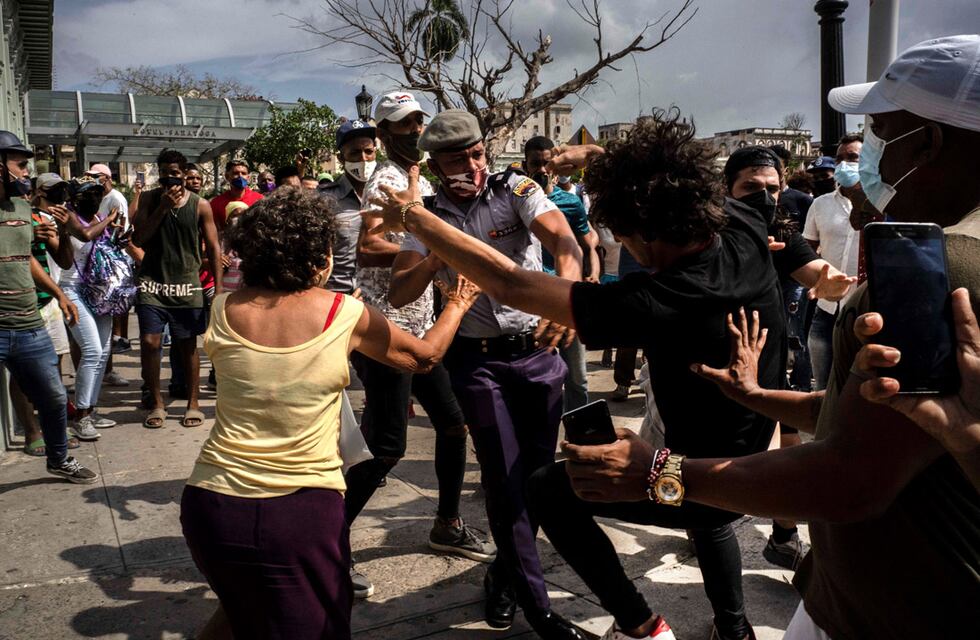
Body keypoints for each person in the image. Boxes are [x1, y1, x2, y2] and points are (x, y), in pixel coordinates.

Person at [540, 36, 980, 639]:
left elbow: (849, 480)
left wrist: (663, 471)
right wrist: (757, 396)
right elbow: (887, 421)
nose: (869, 153)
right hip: (864, 591)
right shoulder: (935, 249)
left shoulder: (943, 269)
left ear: (927, 144)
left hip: (899, 607)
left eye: (880, 131)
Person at [369, 109, 785, 640]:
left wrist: (418, 219)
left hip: (700, 480)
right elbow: (660, 176)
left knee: (549, 488)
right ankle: (732, 626)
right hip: (749, 453)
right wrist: (596, 155)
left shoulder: (655, 300)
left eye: (624, 239)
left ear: (643, 234)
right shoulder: (743, 223)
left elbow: (512, 283)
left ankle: (641, 625)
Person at [179, 186, 483, 640]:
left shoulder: (222, 309)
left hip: (210, 503)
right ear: (320, 257)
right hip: (299, 513)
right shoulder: (344, 312)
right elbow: (422, 358)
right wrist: (457, 304)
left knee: (243, 611)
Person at [384, 109, 588, 639]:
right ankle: (536, 605)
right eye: (458, 158)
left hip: (538, 352)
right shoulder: (425, 213)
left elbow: (566, 243)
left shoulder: (514, 188)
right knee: (502, 474)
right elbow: (400, 291)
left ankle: (505, 570)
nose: (472, 165)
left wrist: (564, 302)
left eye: (477, 153)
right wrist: (435, 250)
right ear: (434, 164)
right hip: (476, 362)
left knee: (539, 477)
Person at [346, 94, 494, 599]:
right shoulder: (386, 178)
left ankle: (447, 525)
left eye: (418, 121)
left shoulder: (423, 178)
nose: (414, 129)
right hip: (387, 326)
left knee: (453, 424)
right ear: (384, 133)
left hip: (423, 325)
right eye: (402, 124)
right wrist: (433, 247)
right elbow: (367, 246)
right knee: (387, 446)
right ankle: (326, 543)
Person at [0, 130, 95, 483]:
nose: (26, 173)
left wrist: (59, 293)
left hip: (28, 323)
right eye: (20, 166)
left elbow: (27, 259)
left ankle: (59, 459)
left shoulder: (23, 210)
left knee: (55, 398)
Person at [132, 149, 222, 429]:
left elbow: (215, 248)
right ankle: (157, 403)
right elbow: (139, 238)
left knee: (187, 346)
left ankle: (192, 403)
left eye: (174, 172)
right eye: (163, 172)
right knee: (150, 342)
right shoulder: (148, 199)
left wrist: (218, 290)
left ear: (184, 174)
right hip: (152, 283)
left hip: (186, 284)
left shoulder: (200, 205)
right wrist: (162, 208)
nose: (169, 178)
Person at [523, 135, 599, 411]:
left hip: (567, 300)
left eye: (546, 164)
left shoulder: (570, 203)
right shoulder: (514, 202)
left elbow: (586, 242)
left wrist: (591, 272)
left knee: (577, 378)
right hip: (532, 304)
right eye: (535, 164)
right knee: (538, 378)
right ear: (525, 165)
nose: (542, 171)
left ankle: (580, 440)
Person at [13, 172, 79, 457]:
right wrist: (25, 237)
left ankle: (55, 426)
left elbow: (64, 260)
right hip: (18, 307)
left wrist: (63, 231)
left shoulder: (43, 220)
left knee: (52, 369)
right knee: (22, 373)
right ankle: (32, 432)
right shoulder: (17, 218)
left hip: (46, 303)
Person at [54, 177, 125, 441]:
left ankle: (90, 409)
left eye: (97, 192)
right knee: (93, 350)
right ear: (74, 197)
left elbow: (103, 245)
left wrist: (117, 232)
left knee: (103, 351)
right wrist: (109, 219)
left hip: (97, 289)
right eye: (88, 193)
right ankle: (81, 416)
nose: (94, 197)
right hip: (72, 289)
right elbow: (84, 235)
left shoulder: (96, 216)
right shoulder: (69, 216)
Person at [803, 134, 863, 390]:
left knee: (857, 389)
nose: (844, 164)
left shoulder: (884, 206)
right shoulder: (820, 205)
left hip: (865, 309)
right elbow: (806, 249)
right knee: (823, 388)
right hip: (826, 310)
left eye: (853, 158)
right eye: (839, 159)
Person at [321, 118, 377, 295]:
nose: (363, 158)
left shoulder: (389, 194)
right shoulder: (323, 200)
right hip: (337, 298)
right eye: (354, 153)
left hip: (380, 299)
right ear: (341, 158)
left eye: (368, 151)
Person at [208, 160, 262, 231]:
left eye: (243, 173)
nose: (240, 176)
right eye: (235, 173)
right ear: (227, 176)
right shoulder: (216, 203)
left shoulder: (259, 199)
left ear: (248, 177)